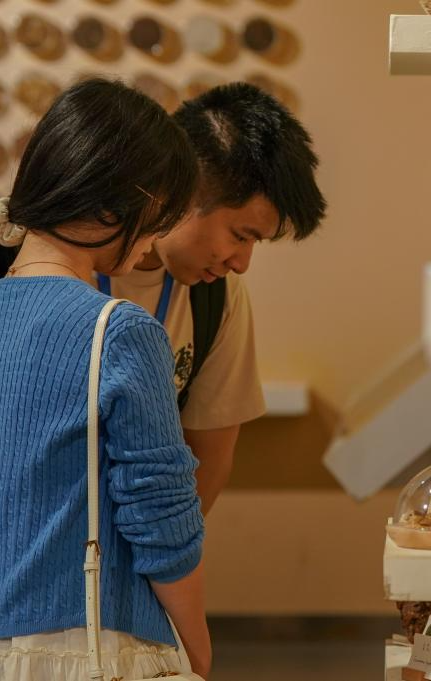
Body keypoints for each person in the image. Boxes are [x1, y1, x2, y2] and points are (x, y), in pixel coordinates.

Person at [0, 79, 210, 679]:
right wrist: (197, 646)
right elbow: (161, 518)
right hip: (82, 647)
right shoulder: (119, 331)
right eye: (157, 218)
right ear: (114, 207)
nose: (151, 243)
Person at [98, 83, 327, 514]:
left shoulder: (217, 297)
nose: (241, 263)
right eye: (240, 236)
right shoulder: (43, 263)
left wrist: (164, 549)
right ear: (183, 189)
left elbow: (211, 458)